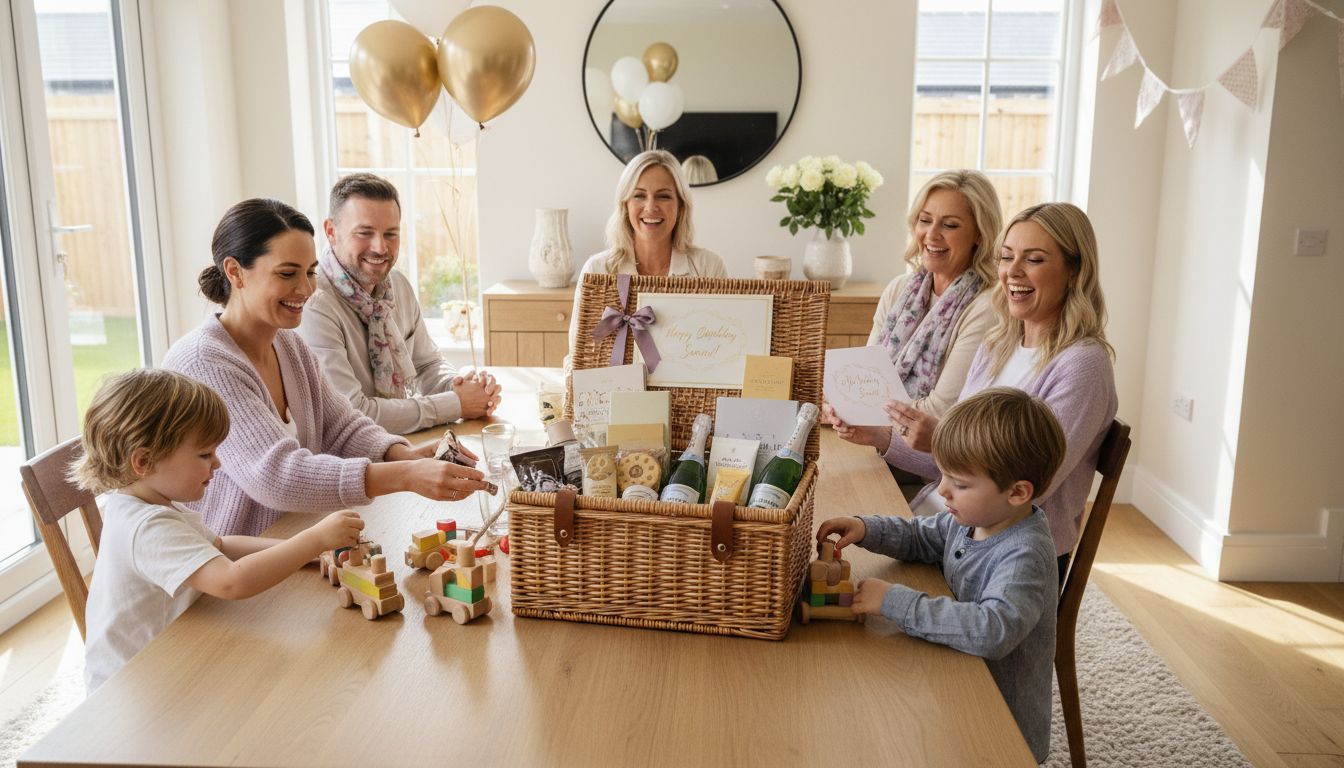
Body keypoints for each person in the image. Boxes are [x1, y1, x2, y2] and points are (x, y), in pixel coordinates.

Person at [165, 198, 490, 538]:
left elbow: (342, 427)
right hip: (227, 562)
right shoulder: (206, 362)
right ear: (235, 272)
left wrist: (402, 454)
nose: (306, 289)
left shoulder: (288, 344)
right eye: (288, 273)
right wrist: (406, 475)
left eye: (310, 272)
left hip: (292, 540)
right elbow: (277, 477)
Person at [830, 202, 1117, 573]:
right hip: (948, 527)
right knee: (830, 544)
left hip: (1005, 555)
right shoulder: (998, 344)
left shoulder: (1082, 365)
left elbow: (1030, 485)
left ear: (1075, 271)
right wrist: (881, 436)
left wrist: (942, 439)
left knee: (848, 576)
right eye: (1007, 256)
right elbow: (954, 467)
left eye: (1034, 260)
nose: (1012, 272)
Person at [72, 368, 366, 692]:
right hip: (133, 690)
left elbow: (220, 546)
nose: (217, 463)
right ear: (143, 461)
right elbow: (232, 581)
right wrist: (314, 538)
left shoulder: (148, 501)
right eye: (204, 454)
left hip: (173, 657)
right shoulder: (146, 528)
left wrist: (306, 552)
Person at [817, 387, 1066, 763]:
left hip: (1000, 725)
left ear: (1017, 492)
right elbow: (922, 536)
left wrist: (893, 601)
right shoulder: (975, 518)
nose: (944, 490)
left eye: (960, 483)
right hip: (957, 678)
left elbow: (991, 630)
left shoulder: (1024, 555)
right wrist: (867, 528)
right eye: (944, 475)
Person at [298, 173, 501, 435]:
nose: (380, 247)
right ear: (331, 232)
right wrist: (456, 404)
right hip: (351, 462)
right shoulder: (314, 304)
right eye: (364, 233)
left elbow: (427, 364)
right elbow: (354, 413)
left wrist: (463, 386)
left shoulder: (398, 286)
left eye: (391, 234)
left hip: (407, 446)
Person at [567, 150, 728, 364]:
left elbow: (722, 352)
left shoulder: (709, 267)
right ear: (625, 204)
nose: (651, 207)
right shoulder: (598, 270)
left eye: (663, 196)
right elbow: (579, 355)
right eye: (639, 195)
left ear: (680, 206)